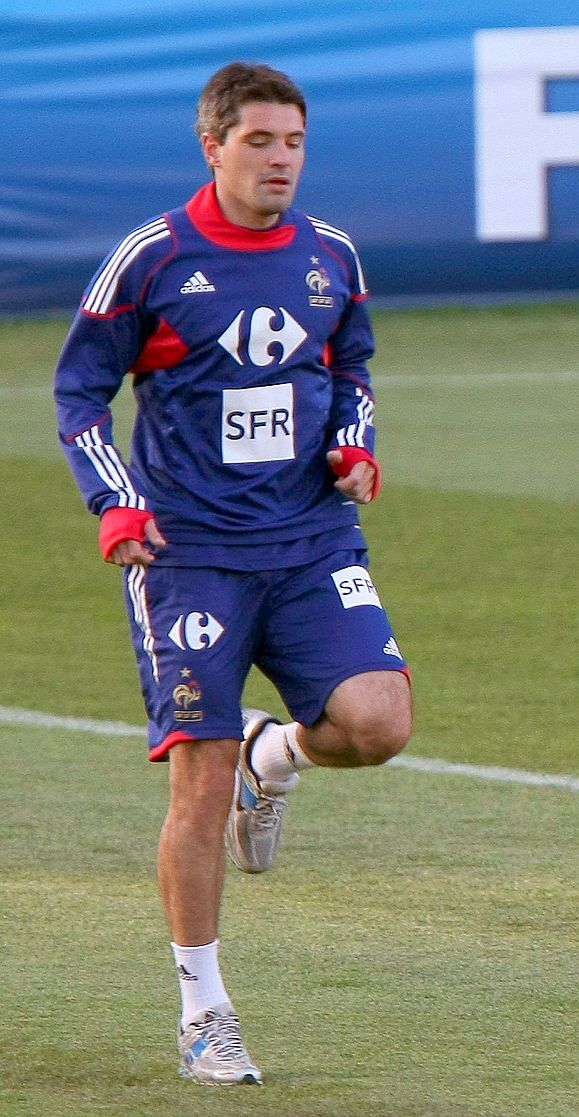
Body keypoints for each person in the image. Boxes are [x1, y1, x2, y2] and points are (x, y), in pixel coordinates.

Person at [54, 62, 412, 1084]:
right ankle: (205, 1006)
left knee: (380, 723)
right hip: (188, 554)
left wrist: (356, 440)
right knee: (198, 782)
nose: (281, 161)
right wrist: (113, 497)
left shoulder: (330, 254)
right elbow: (80, 390)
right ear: (211, 145)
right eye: (259, 142)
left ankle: (280, 757)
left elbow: (353, 367)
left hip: (309, 540)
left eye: (293, 142)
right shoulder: (154, 258)